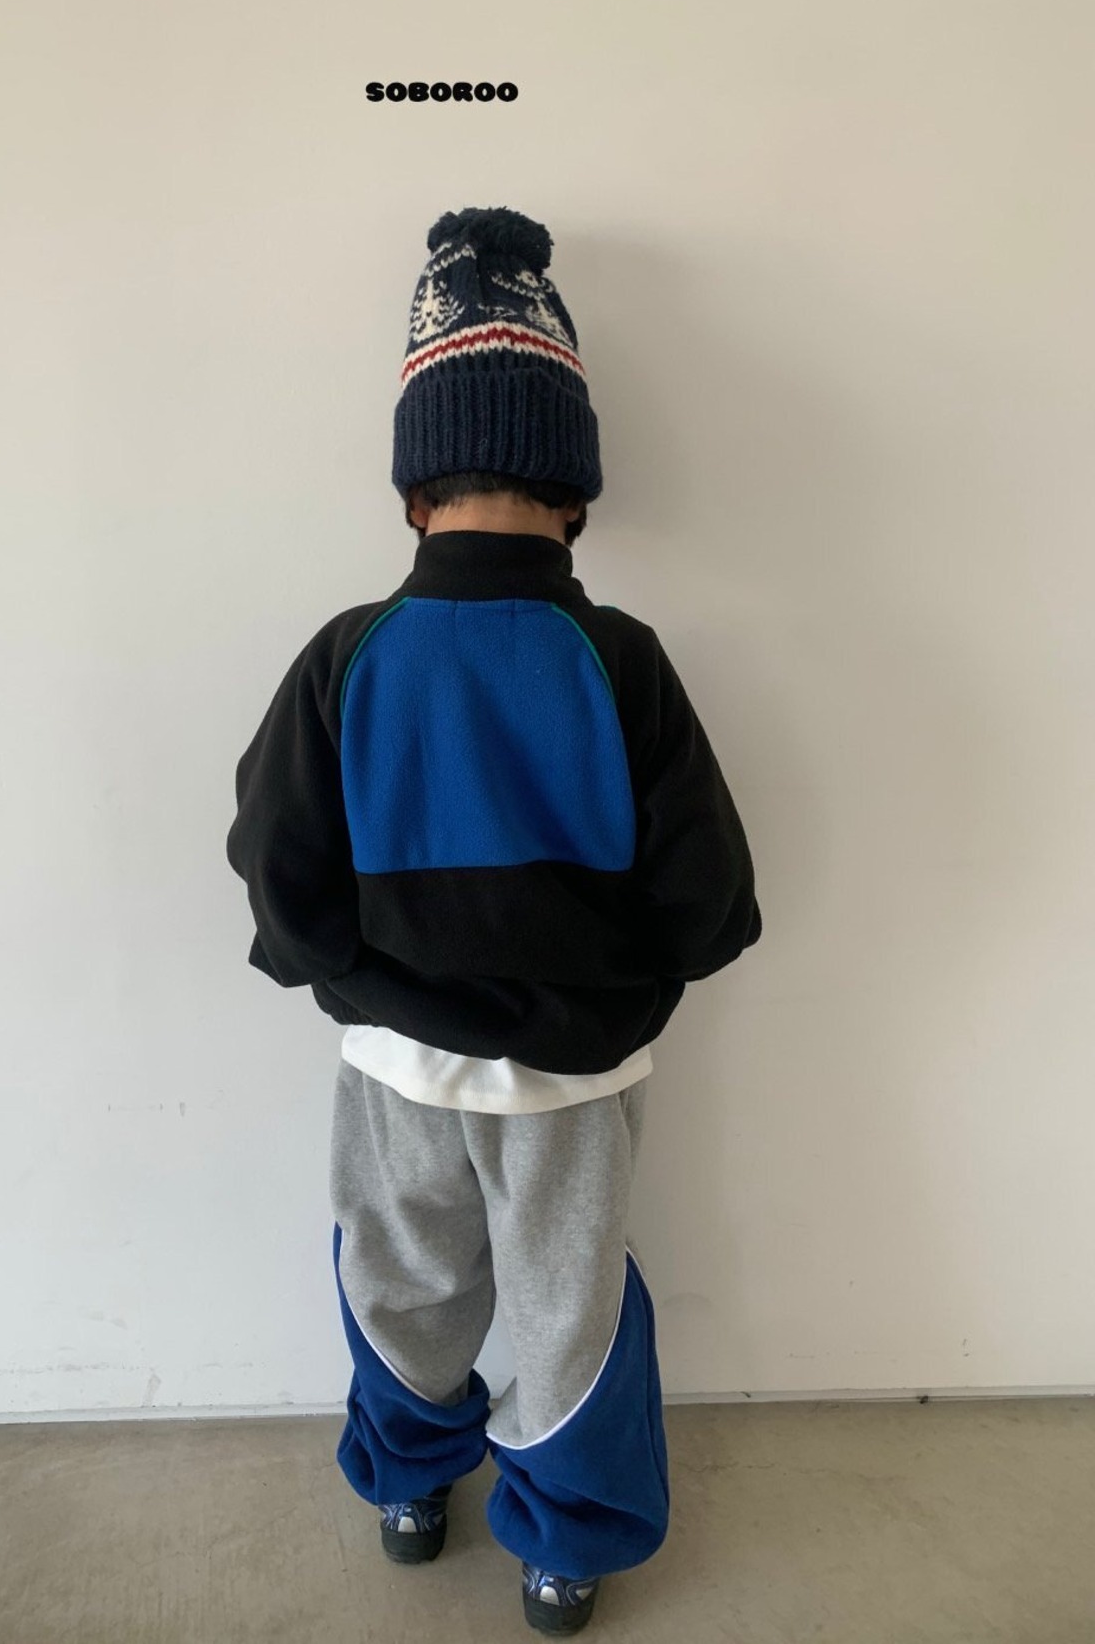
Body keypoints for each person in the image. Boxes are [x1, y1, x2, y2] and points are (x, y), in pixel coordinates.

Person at [225, 205, 762, 1635]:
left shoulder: (349, 656)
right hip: (575, 1087)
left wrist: (351, 983)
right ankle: (565, 1549)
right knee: (569, 1310)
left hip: (398, 1071)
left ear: (413, 493)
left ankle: (410, 1489)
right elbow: (709, 898)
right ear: (576, 492)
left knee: (401, 1282)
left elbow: (276, 869)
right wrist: (622, 991)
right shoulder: (621, 660)